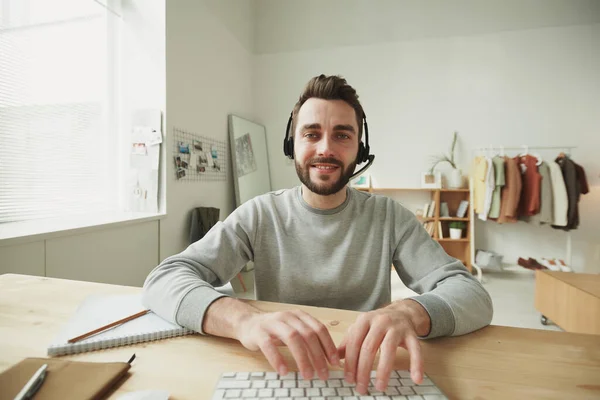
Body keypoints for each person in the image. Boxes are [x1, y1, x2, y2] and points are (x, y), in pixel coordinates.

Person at [142, 74, 493, 394]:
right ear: (292, 144)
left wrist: (409, 312)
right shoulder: (260, 214)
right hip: (279, 370)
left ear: (360, 149)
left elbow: (472, 295)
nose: (325, 148)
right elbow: (165, 278)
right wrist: (243, 320)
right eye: (312, 134)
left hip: (367, 373)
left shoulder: (390, 218)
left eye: (342, 135)